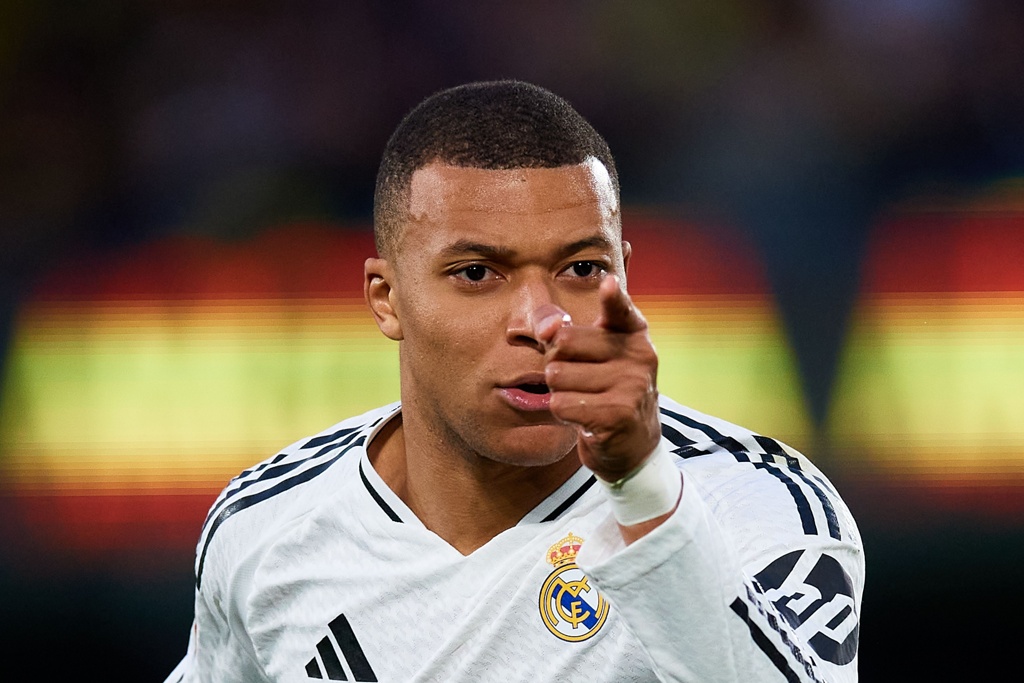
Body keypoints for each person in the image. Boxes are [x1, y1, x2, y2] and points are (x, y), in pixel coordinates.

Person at [165, 80, 863, 683]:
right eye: (477, 273)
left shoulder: (757, 505)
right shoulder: (267, 529)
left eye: (582, 268)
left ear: (625, 274)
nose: (541, 320)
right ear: (387, 298)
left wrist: (643, 487)